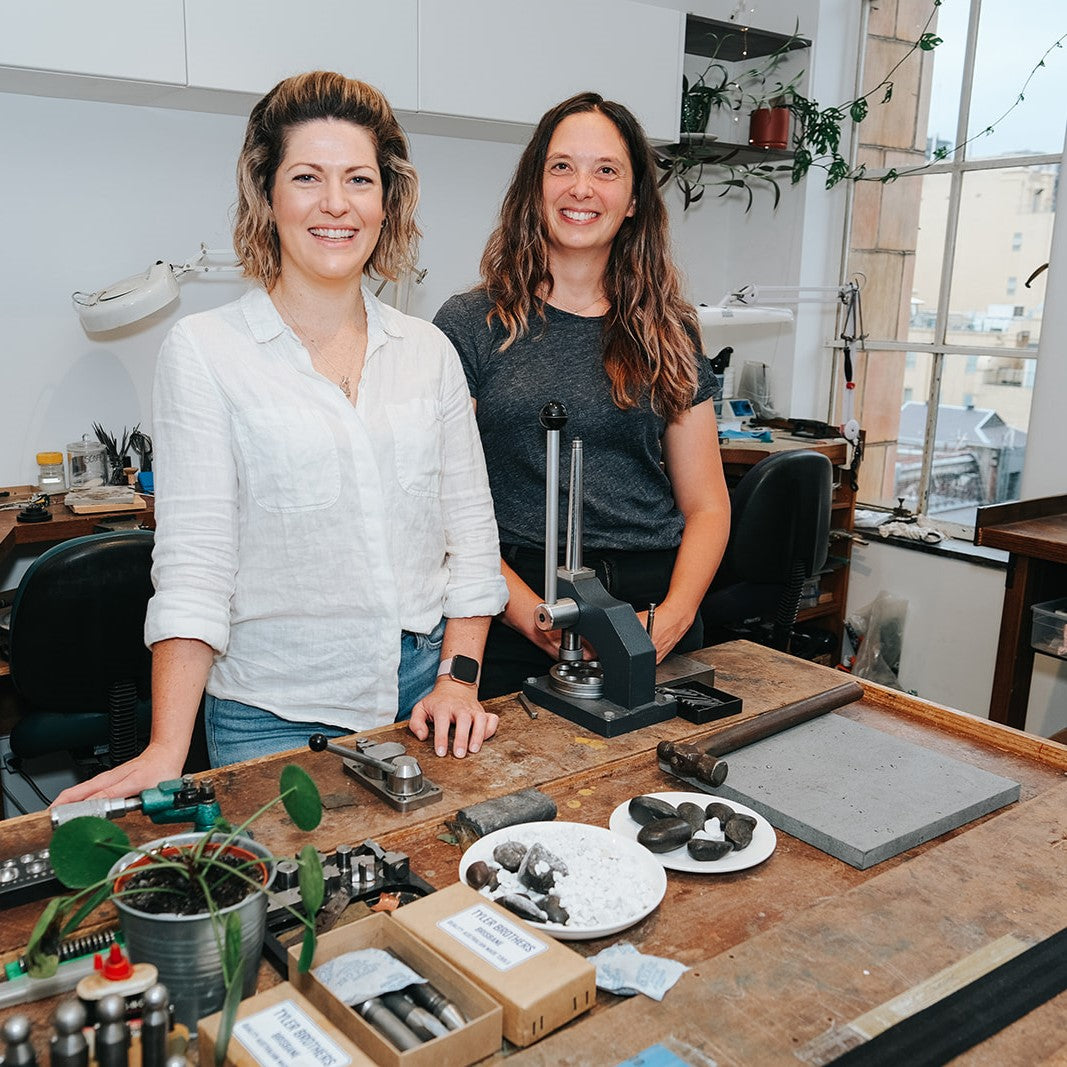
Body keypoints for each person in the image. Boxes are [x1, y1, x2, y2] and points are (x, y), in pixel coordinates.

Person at [56, 71, 508, 803]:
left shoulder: (428, 352)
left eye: (359, 179)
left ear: (386, 201)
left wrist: (459, 681)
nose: (336, 203)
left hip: (426, 709)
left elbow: (472, 545)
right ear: (266, 196)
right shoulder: (205, 351)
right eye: (307, 177)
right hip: (273, 718)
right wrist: (167, 747)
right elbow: (195, 566)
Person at [434, 91, 731, 700]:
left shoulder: (667, 327)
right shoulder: (470, 324)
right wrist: (532, 619)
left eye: (606, 170)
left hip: (651, 607)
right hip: (513, 608)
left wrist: (669, 621)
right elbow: (445, 510)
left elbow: (707, 507)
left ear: (632, 202)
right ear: (532, 188)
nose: (581, 188)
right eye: (562, 166)